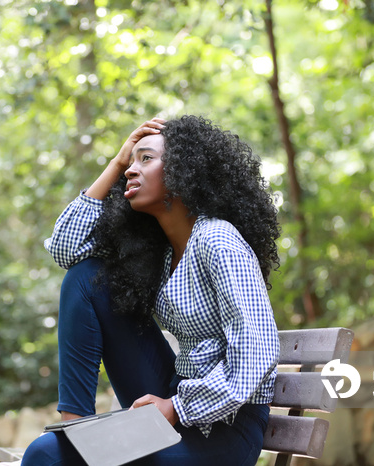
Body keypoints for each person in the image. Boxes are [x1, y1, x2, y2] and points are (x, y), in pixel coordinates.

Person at [21, 115, 281, 465]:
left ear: (183, 170)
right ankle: (77, 427)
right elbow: (66, 250)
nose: (131, 169)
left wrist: (176, 407)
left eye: (146, 158)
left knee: (43, 454)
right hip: (174, 397)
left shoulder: (218, 241)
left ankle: (77, 452)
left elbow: (258, 353)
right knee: (87, 276)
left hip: (225, 430)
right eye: (131, 161)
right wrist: (116, 161)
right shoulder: (155, 251)